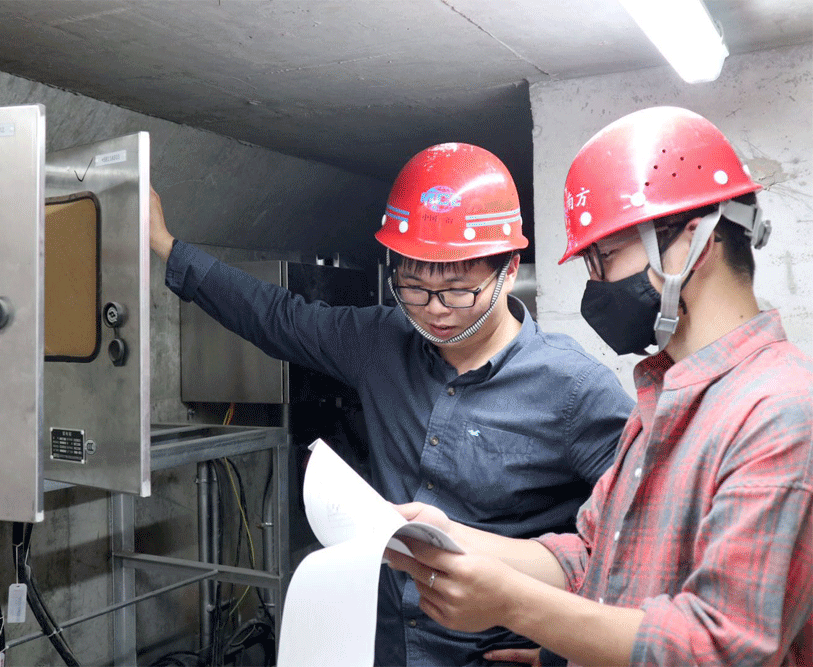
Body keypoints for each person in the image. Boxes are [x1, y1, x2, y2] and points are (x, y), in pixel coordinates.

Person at [149, 142, 634, 666]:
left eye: (457, 291)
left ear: (510, 269)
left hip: (491, 653)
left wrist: (564, 648)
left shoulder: (575, 389)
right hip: (384, 641)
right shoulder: (380, 342)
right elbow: (278, 317)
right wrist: (165, 245)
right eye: (414, 289)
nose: (435, 312)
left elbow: (636, 543)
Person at [386, 107, 813, 666]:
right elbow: (594, 556)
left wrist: (513, 605)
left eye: (604, 257)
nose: (595, 284)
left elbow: (722, 647)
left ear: (692, 244)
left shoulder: (779, 411)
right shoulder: (661, 399)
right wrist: (451, 538)